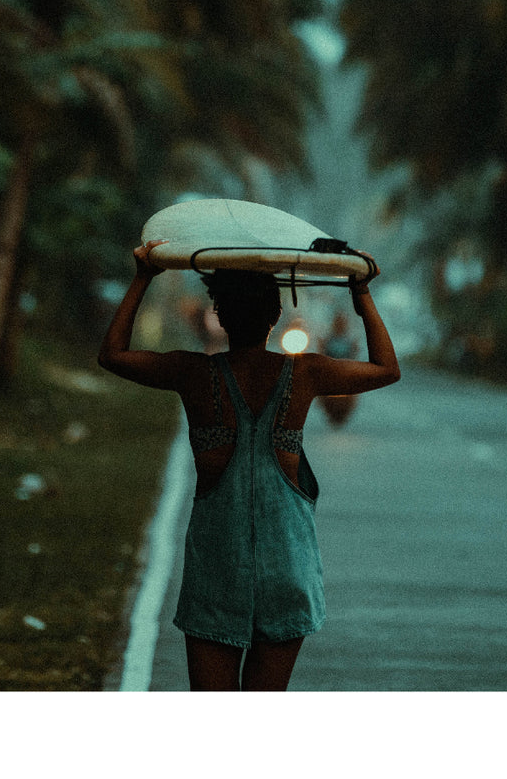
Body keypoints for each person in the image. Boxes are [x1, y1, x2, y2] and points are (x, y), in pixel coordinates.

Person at [98, 239, 401, 690]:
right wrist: (361, 294)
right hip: (287, 574)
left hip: (215, 575)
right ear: (275, 316)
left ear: (219, 314)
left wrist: (144, 276)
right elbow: (386, 368)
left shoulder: (194, 374)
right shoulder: (306, 374)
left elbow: (113, 355)